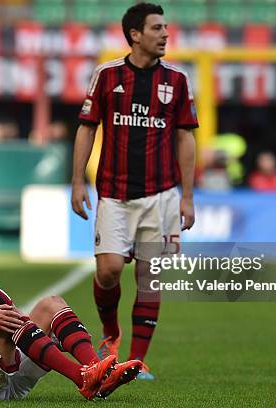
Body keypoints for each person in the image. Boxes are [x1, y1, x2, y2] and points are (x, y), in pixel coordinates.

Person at [71, 2, 198, 380]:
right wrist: (77, 179)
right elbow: (87, 127)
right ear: (135, 35)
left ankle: (138, 360)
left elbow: (186, 138)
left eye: (166, 28)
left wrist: (187, 196)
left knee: (148, 277)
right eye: (157, 28)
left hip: (162, 195)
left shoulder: (176, 80)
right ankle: (111, 335)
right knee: (109, 271)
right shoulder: (107, 75)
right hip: (115, 194)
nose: (165, 34)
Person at [0, 221, 143, 400]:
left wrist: (55, 335)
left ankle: (98, 372)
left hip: (8, 379)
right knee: (2, 319)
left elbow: (25, 327)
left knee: (51, 304)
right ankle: (81, 377)